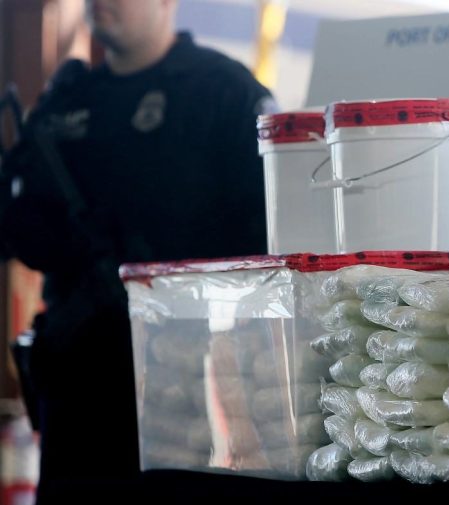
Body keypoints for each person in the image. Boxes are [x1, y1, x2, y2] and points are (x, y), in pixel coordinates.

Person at [0, 0, 274, 501]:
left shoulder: (223, 92)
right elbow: (24, 230)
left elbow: (268, 237)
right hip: (81, 382)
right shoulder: (67, 101)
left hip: (193, 382)